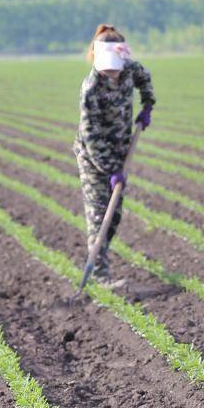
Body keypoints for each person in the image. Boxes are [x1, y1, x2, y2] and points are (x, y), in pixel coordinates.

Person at [75, 24, 156, 285]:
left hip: (121, 149)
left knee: (115, 215)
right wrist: (111, 170)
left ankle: (101, 257)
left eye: (114, 66)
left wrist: (147, 105)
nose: (111, 72)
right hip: (93, 157)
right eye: (106, 67)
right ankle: (99, 276)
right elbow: (91, 138)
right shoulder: (91, 88)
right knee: (99, 214)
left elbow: (145, 79)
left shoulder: (131, 69)